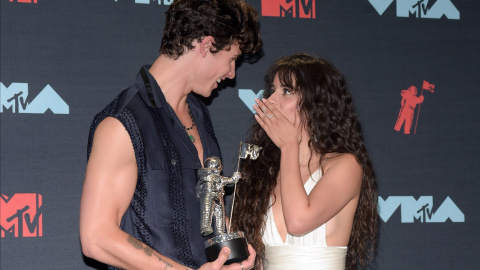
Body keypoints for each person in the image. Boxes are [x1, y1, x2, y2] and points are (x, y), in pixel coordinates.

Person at [79, 1, 262, 270]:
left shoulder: (199, 114)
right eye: (232, 58)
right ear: (206, 45)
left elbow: (199, 214)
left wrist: (229, 250)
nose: (232, 74)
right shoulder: (123, 123)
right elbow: (96, 237)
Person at [231, 53, 378, 269]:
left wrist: (289, 146)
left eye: (287, 91)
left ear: (316, 103)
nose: (269, 100)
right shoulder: (264, 169)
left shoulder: (346, 165)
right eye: (272, 90)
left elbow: (298, 221)